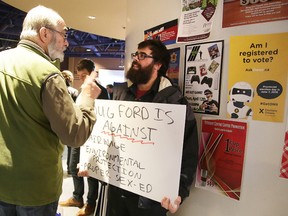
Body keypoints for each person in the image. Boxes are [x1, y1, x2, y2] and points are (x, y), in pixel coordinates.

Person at [0, 5, 101, 216]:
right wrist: (87, 98)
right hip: (36, 188)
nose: (67, 41)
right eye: (63, 34)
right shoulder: (48, 74)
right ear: (44, 34)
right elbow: (74, 134)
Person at [79, 39, 199, 216]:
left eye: (143, 55)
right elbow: (107, 137)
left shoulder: (175, 102)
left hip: (150, 201)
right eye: (136, 54)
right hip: (116, 192)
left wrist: (179, 192)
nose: (135, 59)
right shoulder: (121, 93)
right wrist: (94, 163)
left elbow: (188, 152)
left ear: (158, 64)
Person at [59, 59, 109, 216]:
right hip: (78, 134)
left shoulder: (101, 90)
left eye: (85, 75)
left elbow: (105, 114)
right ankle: (77, 197)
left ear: (93, 72)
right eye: (80, 76)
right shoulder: (81, 89)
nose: (82, 78)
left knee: (91, 172)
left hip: (94, 138)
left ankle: (90, 203)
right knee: (74, 167)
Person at [61, 70, 79, 175]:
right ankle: (69, 168)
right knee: (70, 148)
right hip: (70, 124)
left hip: (56, 123)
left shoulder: (57, 90)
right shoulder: (74, 91)